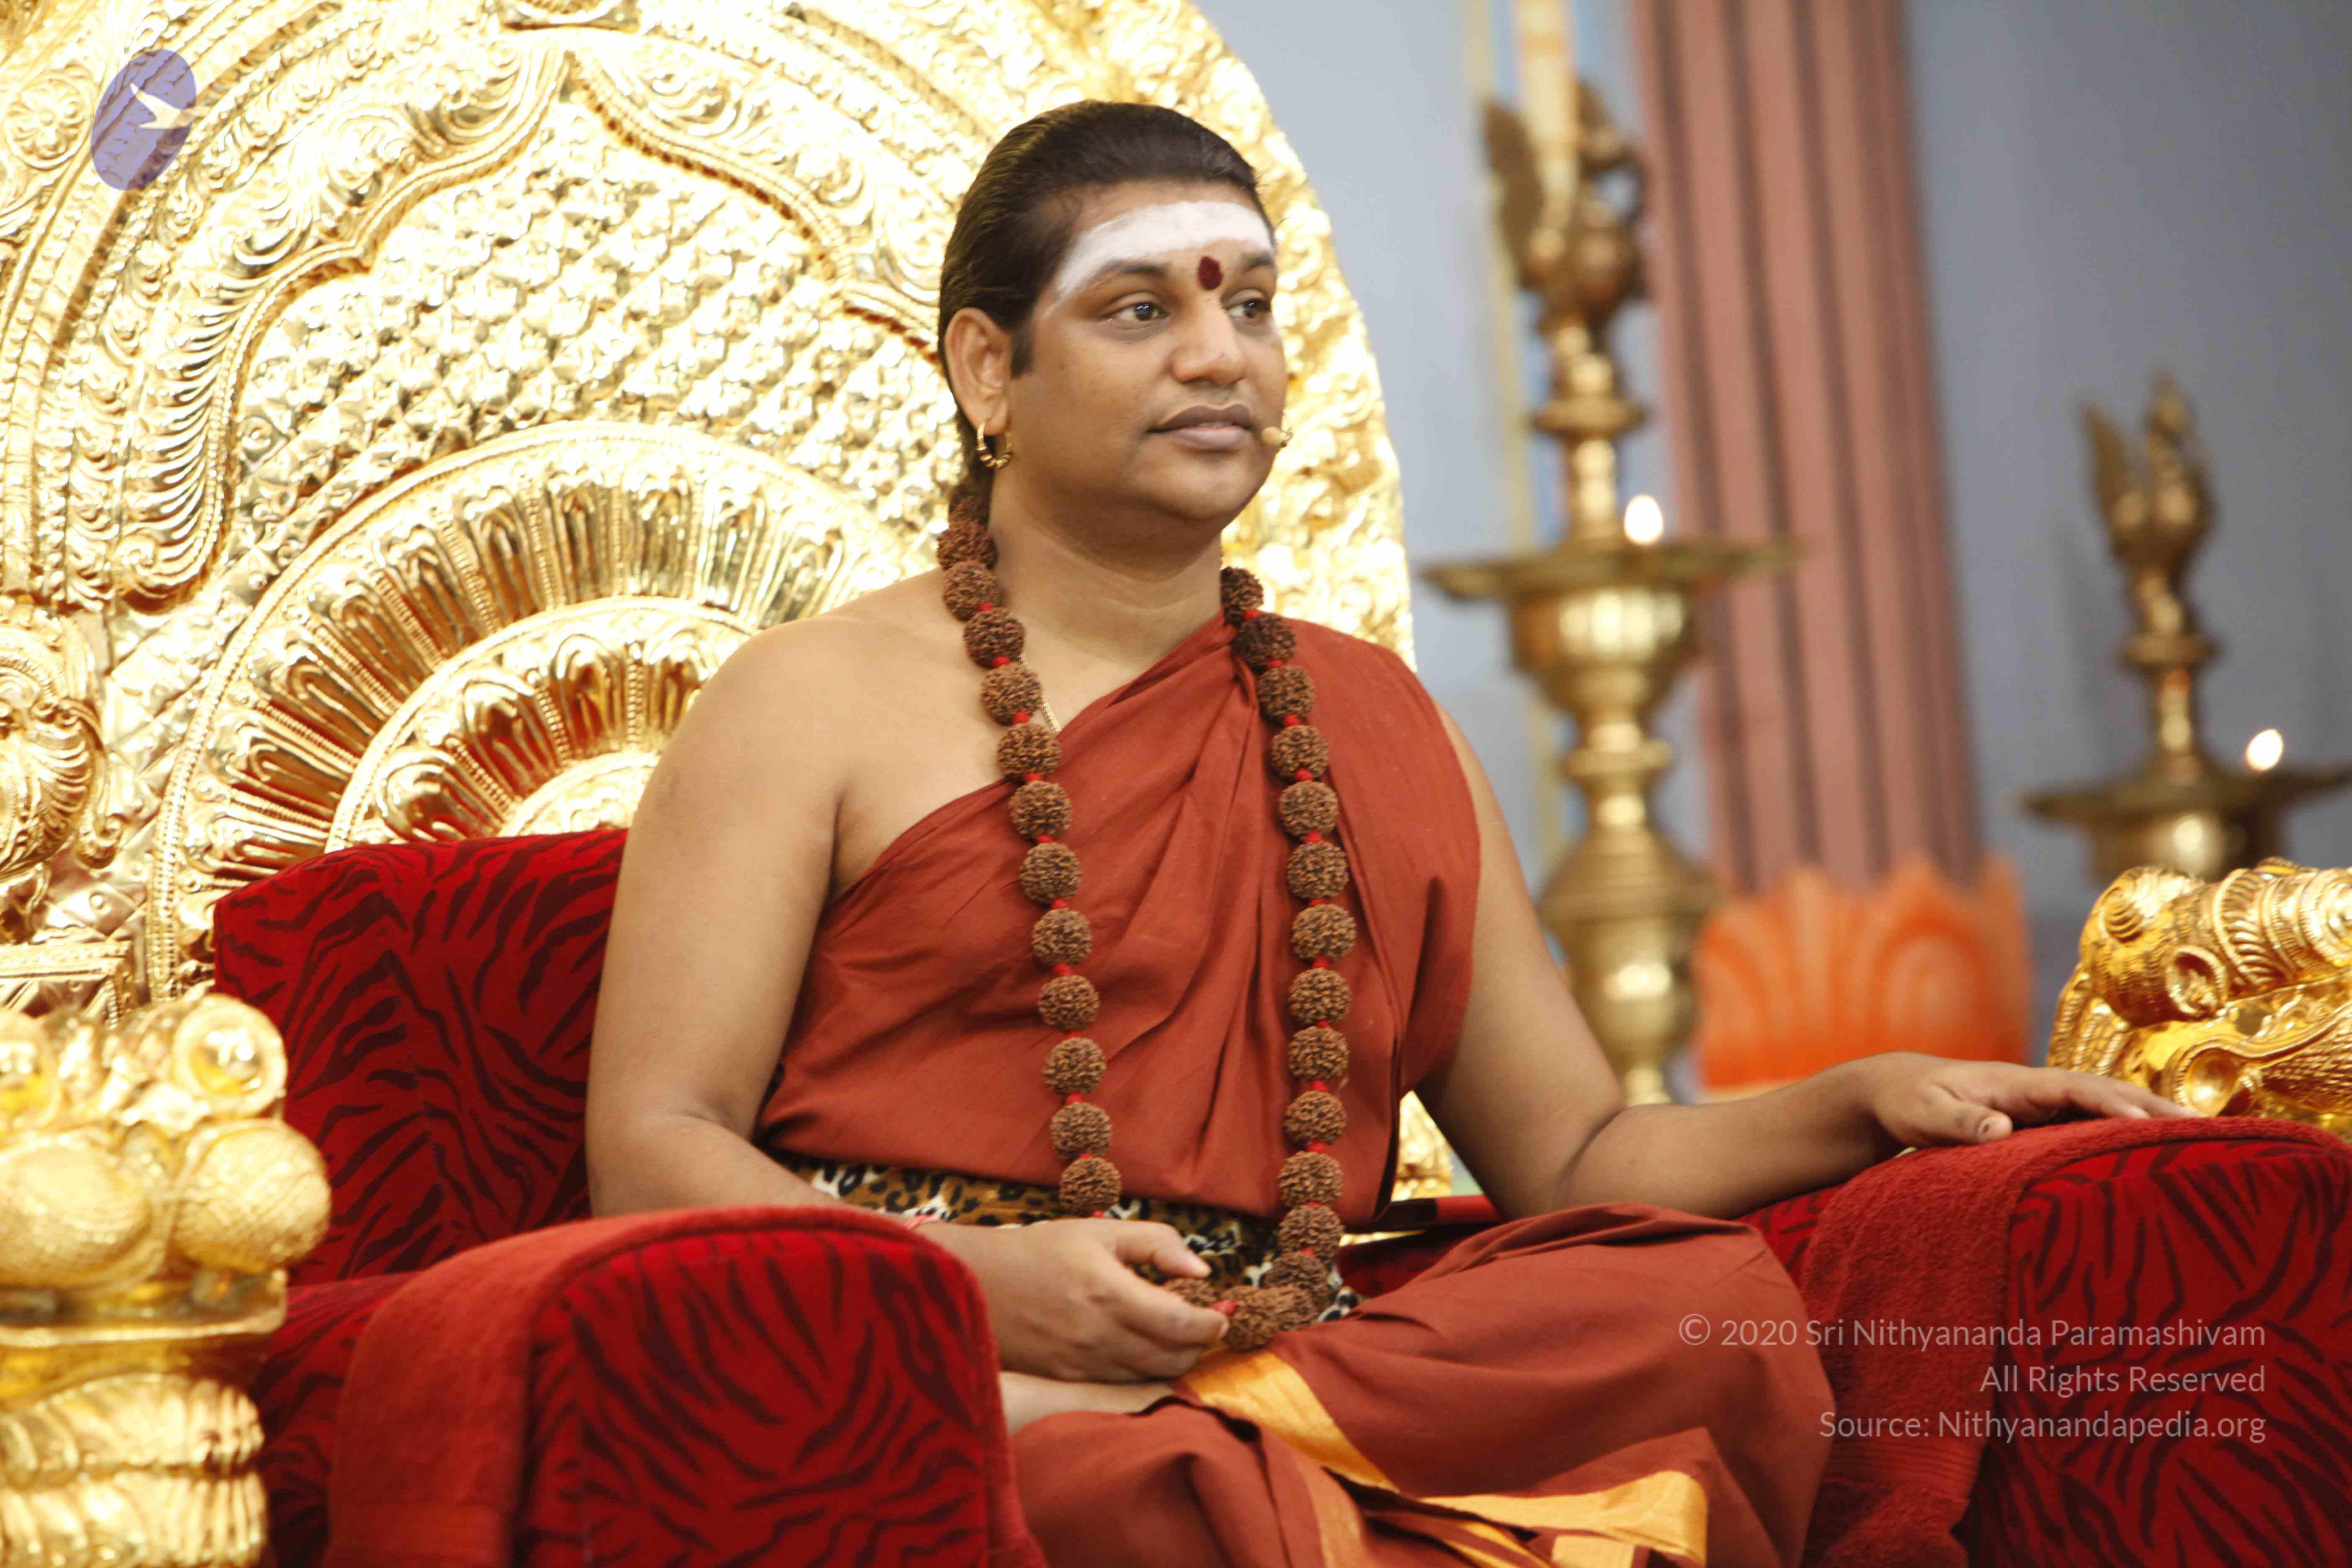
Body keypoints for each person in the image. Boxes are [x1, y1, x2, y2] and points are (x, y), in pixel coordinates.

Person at [582, 100, 2198, 1568]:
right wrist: (967, 1287)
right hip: (921, 1344)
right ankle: (1186, 1469)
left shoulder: (1369, 717)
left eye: (1251, 304)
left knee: (1702, 1305)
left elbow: (1575, 1158)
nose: (1220, 356)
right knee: (1115, 1493)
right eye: (1141, 310)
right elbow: (655, 1139)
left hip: (1280, 1347)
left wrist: (1866, 1099)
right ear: (988, 370)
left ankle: (1234, 1463)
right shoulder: (808, 699)